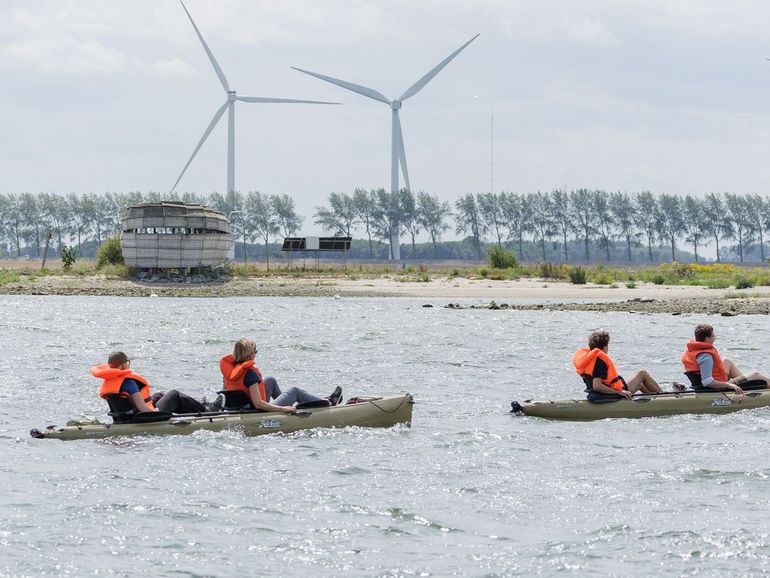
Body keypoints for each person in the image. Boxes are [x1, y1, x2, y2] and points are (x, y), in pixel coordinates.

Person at [219, 338, 342, 413]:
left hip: (243, 406)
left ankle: (290, 405)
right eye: (255, 352)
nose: (255, 355)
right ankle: (329, 402)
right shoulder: (250, 374)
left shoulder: (230, 371)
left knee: (270, 380)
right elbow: (258, 404)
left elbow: (227, 392)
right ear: (251, 355)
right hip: (257, 410)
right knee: (295, 391)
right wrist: (283, 409)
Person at [91, 351, 217, 416]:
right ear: (124, 365)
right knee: (174, 395)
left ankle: (199, 405)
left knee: (160, 395)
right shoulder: (129, 382)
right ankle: (206, 410)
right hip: (140, 418)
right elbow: (142, 409)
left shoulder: (109, 381)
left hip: (123, 417)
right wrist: (156, 412)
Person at [573, 331, 667, 400]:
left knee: (640, 384)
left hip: (602, 393)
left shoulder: (589, 358)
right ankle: (665, 398)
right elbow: (597, 386)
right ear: (605, 347)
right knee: (642, 373)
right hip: (609, 394)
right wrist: (619, 392)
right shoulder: (600, 361)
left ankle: (656, 401)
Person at [681, 324, 769, 394]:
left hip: (703, 383)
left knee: (726, 361)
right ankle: (744, 385)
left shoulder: (692, 350)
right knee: (755, 374)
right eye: (713, 335)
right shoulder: (706, 357)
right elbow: (707, 382)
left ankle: (744, 386)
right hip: (713, 387)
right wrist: (729, 385)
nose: (715, 336)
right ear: (707, 339)